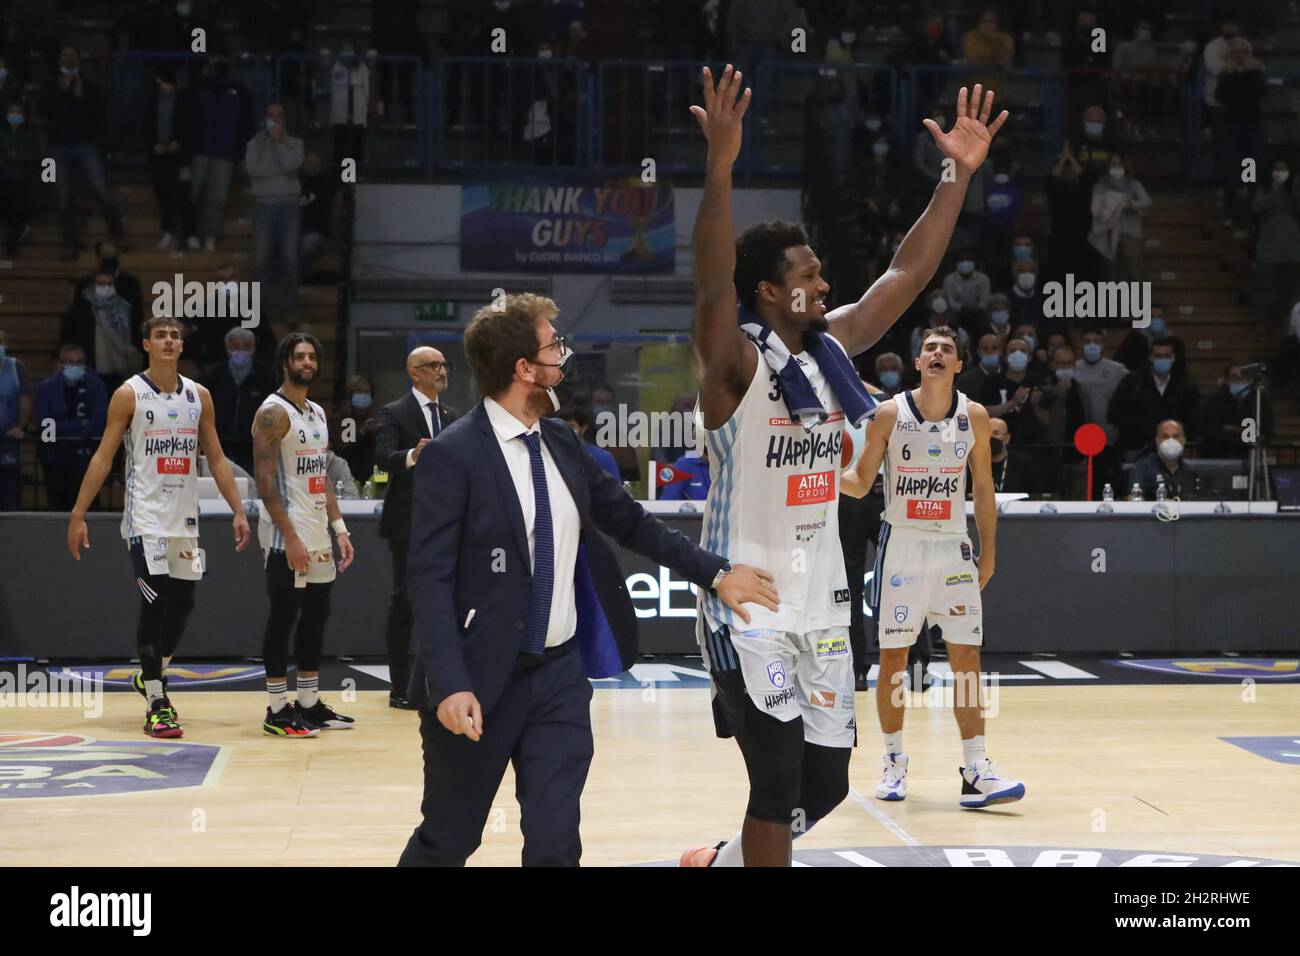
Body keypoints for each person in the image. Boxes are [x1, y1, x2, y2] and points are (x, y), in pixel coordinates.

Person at [680, 69, 1008, 867]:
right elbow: (710, 284)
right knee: (774, 779)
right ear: (767, 292)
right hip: (748, 604)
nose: (824, 286)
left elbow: (907, 274)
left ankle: (721, 862)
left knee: (824, 786)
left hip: (821, 600)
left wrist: (954, 179)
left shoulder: (828, 351)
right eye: (808, 279)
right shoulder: (732, 366)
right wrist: (720, 166)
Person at [397, 293, 776, 867]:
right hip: (477, 680)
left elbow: (633, 524)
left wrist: (716, 573)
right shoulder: (453, 455)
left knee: (555, 846)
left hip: (557, 678)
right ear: (525, 369)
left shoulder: (562, 442)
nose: (563, 355)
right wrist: (449, 683)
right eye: (554, 346)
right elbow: (428, 579)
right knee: (449, 839)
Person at [842, 326, 1024, 808]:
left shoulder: (976, 416)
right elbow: (860, 483)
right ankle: (895, 762)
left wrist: (989, 552)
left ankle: (975, 768)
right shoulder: (889, 413)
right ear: (917, 363)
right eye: (930, 349)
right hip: (901, 546)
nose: (938, 354)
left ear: (959, 365)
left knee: (967, 659)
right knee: (894, 661)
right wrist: (813, 472)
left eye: (947, 350)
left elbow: (983, 489)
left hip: (953, 550)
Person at [67, 315, 251, 737]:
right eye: (161, 335)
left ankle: (152, 672)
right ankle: (157, 699)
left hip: (184, 520)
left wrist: (238, 510)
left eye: (175, 335)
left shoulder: (199, 395)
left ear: (181, 346)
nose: (169, 341)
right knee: (154, 602)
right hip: (145, 518)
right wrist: (79, 513)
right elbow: (103, 457)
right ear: (146, 344)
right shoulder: (128, 394)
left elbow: (217, 458)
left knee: (182, 605)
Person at [250, 332, 356, 737]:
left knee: (316, 617)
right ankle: (277, 709)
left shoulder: (315, 411)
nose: (308, 362)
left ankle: (308, 703)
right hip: (285, 533)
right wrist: (290, 536)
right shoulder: (272, 413)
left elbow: (322, 477)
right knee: (284, 618)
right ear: (285, 363)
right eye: (300, 356)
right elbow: (264, 483)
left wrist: (340, 529)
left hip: (317, 531)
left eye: (313, 356)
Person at [375, 346, 459, 709]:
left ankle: (439, 680)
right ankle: (400, 686)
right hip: (407, 520)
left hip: (445, 520)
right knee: (405, 600)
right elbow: (382, 458)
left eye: (443, 365)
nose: (441, 371)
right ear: (414, 373)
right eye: (432, 366)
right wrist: (413, 455)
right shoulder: (394, 412)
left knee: (446, 600)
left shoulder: (453, 416)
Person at [42, 45, 126, 258]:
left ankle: (119, 236)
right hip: (59, 144)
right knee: (63, 196)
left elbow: (99, 112)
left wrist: (82, 96)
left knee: (102, 189)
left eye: (73, 54)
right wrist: (61, 93)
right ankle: (69, 243)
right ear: (59, 59)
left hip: (84, 143)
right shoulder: (51, 82)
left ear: (78, 58)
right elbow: (42, 109)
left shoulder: (88, 83)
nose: (69, 57)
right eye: (65, 54)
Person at [191, 55, 255, 252]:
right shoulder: (197, 88)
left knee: (217, 198)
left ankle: (210, 235)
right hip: (199, 150)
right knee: (194, 195)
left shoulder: (240, 92)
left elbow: (246, 124)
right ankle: (192, 232)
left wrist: (243, 153)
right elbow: (187, 120)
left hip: (225, 153)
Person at [245, 103, 304, 317]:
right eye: (270, 116)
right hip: (263, 205)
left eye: (279, 115)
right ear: (265, 118)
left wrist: (278, 143)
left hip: (289, 205)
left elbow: (291, 166)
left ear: (284, 118)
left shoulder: (296, 143)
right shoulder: (254, 144)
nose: (275, 120)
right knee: (261, 259)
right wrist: (280, 169)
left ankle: (290, 307)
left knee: (289, 259)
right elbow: (252, 169)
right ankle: (262, 309)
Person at [34, 344, 107, 510]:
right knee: (58, 513)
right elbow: (46, 430)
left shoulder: (96, 386)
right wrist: (80, 423)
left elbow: (97, 426)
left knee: (90, 513)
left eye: (79, 362)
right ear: (60, 364)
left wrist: (61, 428)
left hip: (88, 462)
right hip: (55, 461)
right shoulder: (45, 388)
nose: (74, 366)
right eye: (69, 362)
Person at [1107, 338, 1199, 458]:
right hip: (1136, 448)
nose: (1162, 359)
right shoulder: (1133, 381)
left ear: (1173, 358)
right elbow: (1113, 414)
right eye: (1158, 356)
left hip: (1172, 449)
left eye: (1167, 355)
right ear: (1150, 357)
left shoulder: (1186, 387)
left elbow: (1192, 420)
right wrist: (1142, 426)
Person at [200, 327, 276, 472]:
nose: (240, 351)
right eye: (235, 347)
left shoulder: (266, 377)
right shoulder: (213, 375)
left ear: (253, 349)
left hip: (253, 449)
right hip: (219, 446)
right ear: (227, 349)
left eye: (246, 347)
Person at [60, 264, 143, 393]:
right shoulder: (81, 309)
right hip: (91, 370)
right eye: (101, 284)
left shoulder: (124, 309)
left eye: (109, 284)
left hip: (119, 372)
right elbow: (69, 336)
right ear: (93, 285)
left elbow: (133, 337)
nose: (105, 288)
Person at [144, 63, 197, 251]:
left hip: (180, 157)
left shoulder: (184, 99)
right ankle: (168, 231)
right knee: (163, 194)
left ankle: (190, 233)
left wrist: (179, 142)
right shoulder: (152, 100)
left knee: (183, 194)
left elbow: (191, 125)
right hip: (158, 156)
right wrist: (153, 146)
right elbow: (147, 126)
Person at [1252, 158, 1300, 339]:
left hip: (1292, 250)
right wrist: (1273, 191)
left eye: (1284, 168)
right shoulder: (1264, 189)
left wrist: (1293, 189)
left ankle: (1286, 326)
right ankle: (1264, 325)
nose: (1280, 172)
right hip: (1269, 250)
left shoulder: (1294, 190)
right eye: (1277, 168)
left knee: (1288, 291)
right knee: (1267, 291)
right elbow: (1257, 208)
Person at [1089, 153, 1150, 283]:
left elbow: (1147, 201)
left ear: (1125, 166)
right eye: (1113, 164)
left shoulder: (1134, 184)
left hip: (1131, 233)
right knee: (1112, 273)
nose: (1116, 168)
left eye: (1119, 164)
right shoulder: (1101, 186)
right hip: (1109, 234)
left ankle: (1138, 302)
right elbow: (1096, 209)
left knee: (1134, 271)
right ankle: (1114, 302)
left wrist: (1130, 204)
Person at [1200, 364, 1272, 459]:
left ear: (1251, 380)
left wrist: (1233, 429)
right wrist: (1243, 433)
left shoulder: (1260, 401)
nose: (1239, 382)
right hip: (1218, 456)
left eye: (1244, 378)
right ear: (1226, 380)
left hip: (1250, 457)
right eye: (1234, 377)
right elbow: (1210, 431)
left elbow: (1264, 432)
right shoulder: (1213, 401)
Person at [0, 328, 34, 510]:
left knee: (9, 505)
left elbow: (26, 401)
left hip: (8, 446)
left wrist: (20, 427)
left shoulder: (15, 367)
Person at [0, 99, 37, 257]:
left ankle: (13, 242)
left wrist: (16, 157)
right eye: (11, 111)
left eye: (18, 112)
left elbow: (36, 156)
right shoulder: (1, 132)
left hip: (20, 178)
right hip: (2, 176)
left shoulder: (31, 133)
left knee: (17, 209)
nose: (14, 115)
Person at [1128, 419, 1199, 499]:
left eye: (1176, 437)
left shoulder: (1189, 471)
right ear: (1157, 440)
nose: (1171, 441)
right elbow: (1133, 500)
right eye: (1165, 437)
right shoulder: (1142, 469)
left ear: (1183, 440)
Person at [298, 151, 341, 282]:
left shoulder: (325, 184)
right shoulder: (295, 183)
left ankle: (296, 283)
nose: (310, 166)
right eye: (308, 163)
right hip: (295, 231)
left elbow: (345, 178)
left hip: (316, 232)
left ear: (319, 166)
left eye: (314, 163)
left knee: (305, 248)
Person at [557, 402, 620, 482]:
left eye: (571, 426)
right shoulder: (554, 455)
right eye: (561, 426)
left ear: (583, 428)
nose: (566, 430)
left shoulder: (603, 458)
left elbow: (615, 491)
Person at [983, 414, 1041, 494]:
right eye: (987, 433)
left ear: (1007, 438)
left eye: (996, 433)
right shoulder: (972, 464)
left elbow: (1036, 495)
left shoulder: (1023, 463)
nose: (991, 437)